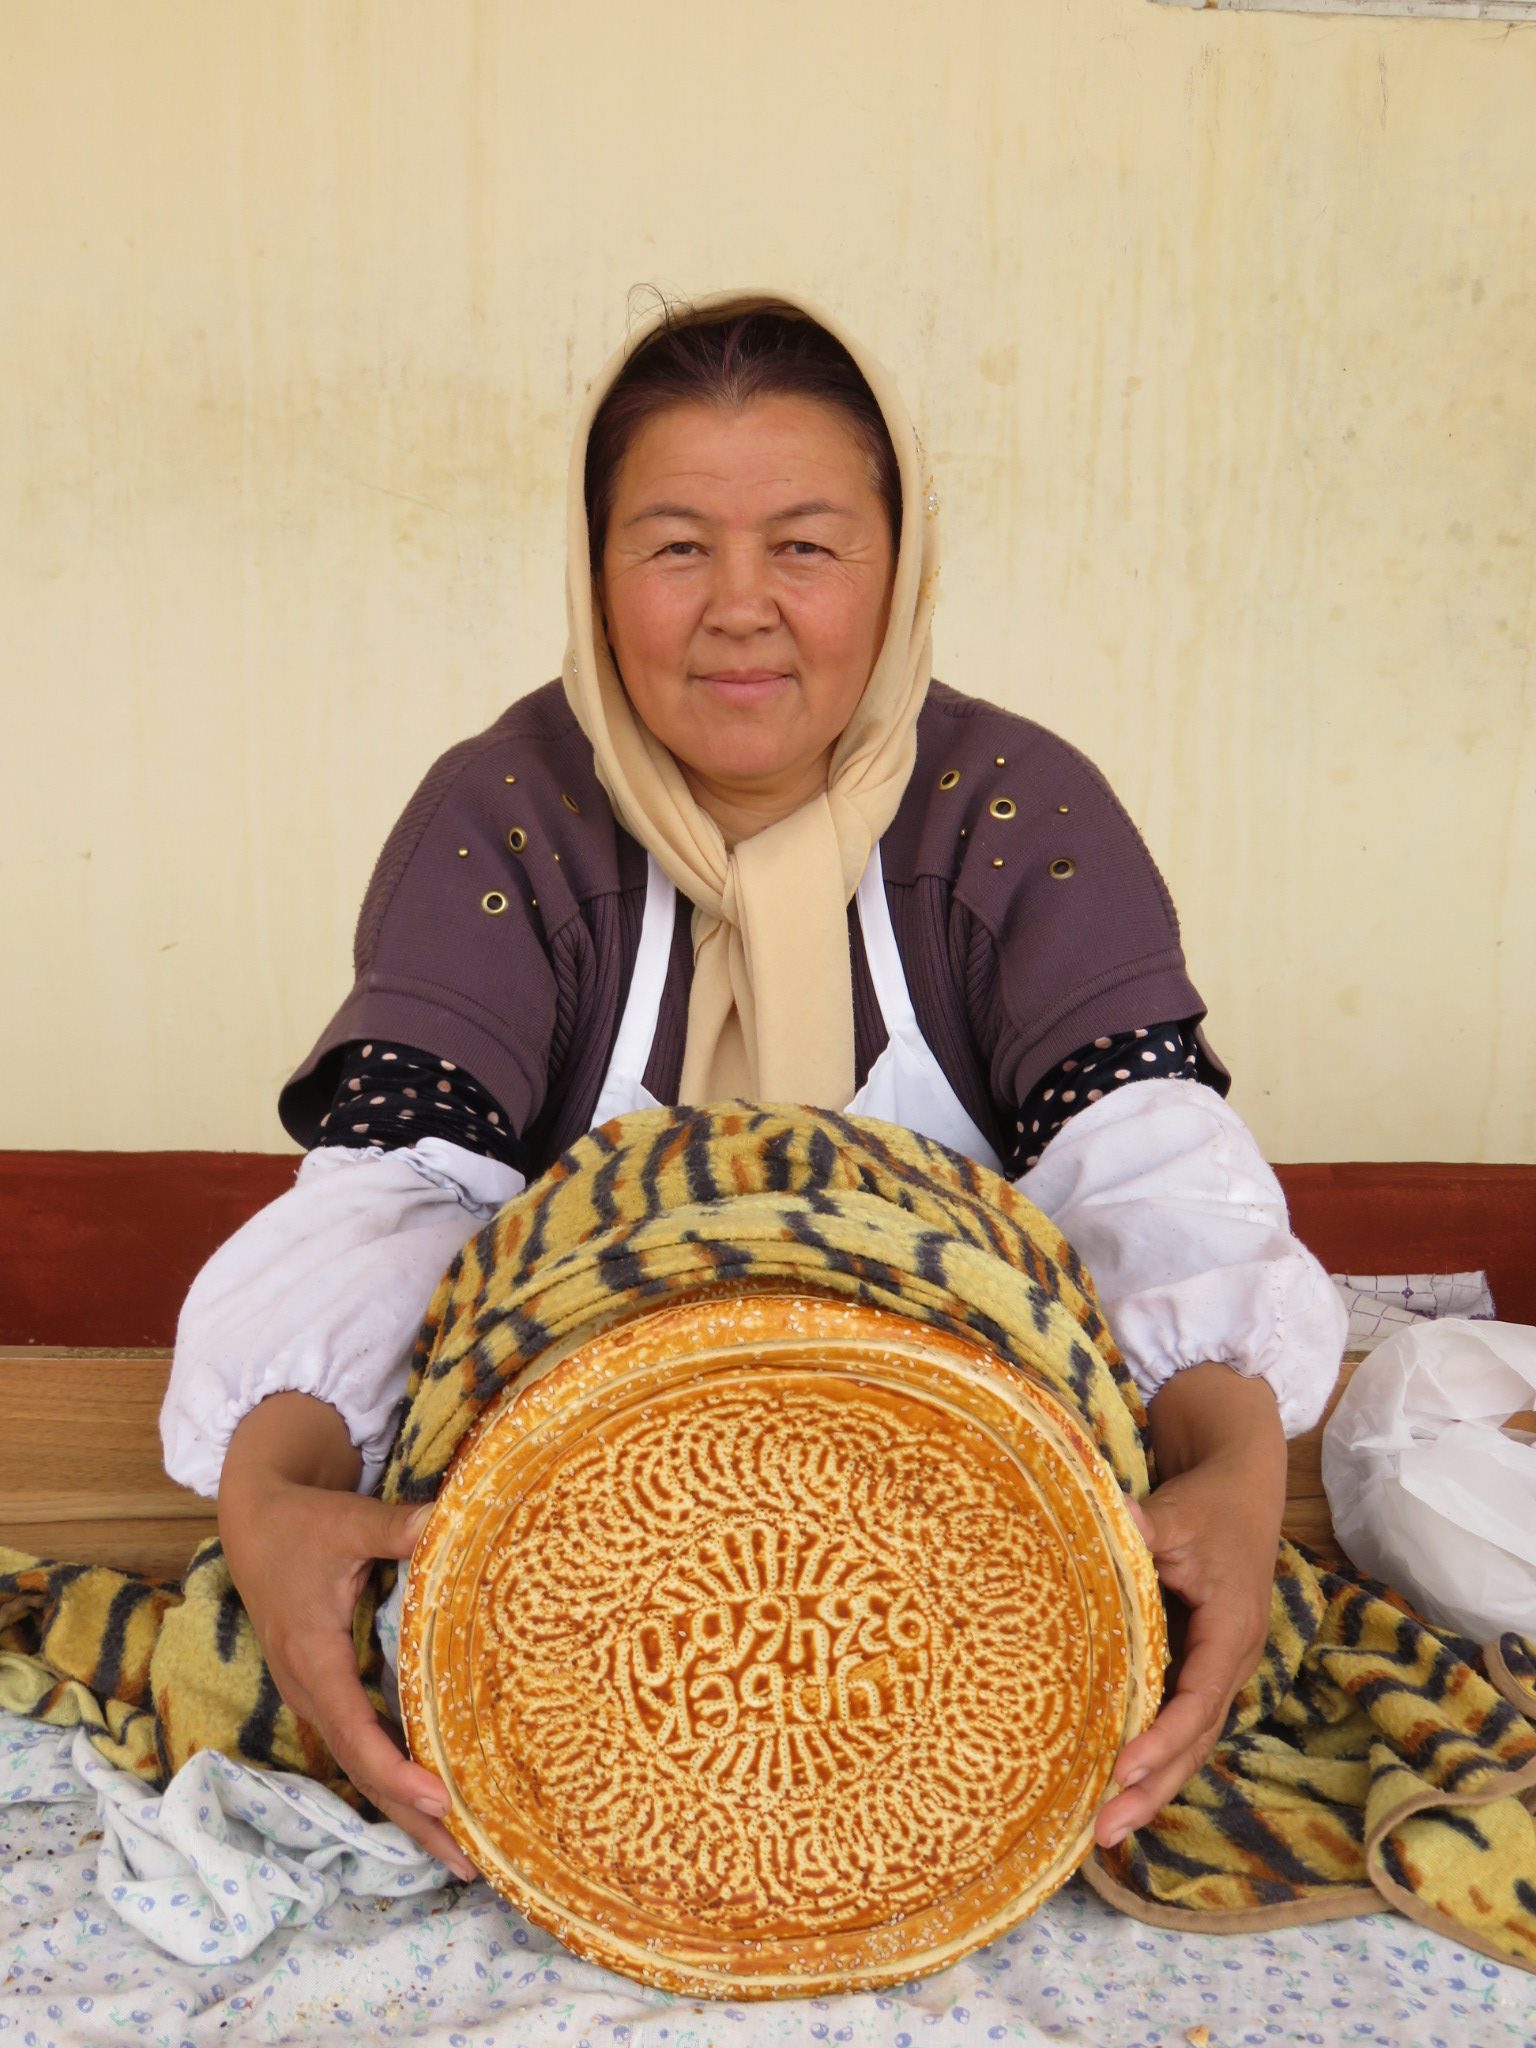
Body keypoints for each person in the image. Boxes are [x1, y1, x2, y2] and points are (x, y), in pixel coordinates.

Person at [162, 289, 1345, 1887]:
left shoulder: (1017, 813)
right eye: (672, 547)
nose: (740, 609)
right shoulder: (507, 820)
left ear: (899, 560)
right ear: (592, 574)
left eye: (805, 545)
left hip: (963, 1569)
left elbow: (1142, 1175)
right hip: (593, 1578)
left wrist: (1232, 1465)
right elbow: (402, 1190)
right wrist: (277, 1484)